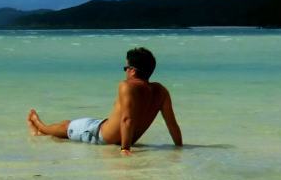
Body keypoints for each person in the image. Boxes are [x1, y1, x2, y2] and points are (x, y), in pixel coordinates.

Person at [26, 47, 182, 155]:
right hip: (103, 127)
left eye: (125, 68)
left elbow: (127, 119)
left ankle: (39, 126)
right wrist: (179, 147)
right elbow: (172, 124)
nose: (125, 71)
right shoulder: (161, 91)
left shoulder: (127, 86)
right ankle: (41, 133)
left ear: (133, 70)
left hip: (98, 135)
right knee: (67, 128)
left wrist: (124, 148)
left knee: (66, 126)